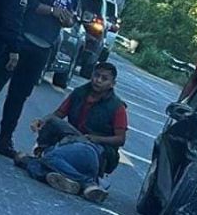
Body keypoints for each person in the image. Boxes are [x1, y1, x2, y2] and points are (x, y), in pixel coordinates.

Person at [0, 0, 80, 158]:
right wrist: (51, 10)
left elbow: (74, 17)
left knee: (19, 96)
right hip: (20, 40)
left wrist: (67, 19)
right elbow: (24, 1)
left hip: (43, 48)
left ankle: (4, 139)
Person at [19, 61, 127, 204]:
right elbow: (58, 114)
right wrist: (41, 121)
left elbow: (120, 139)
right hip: (71, 141)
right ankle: (78, 184)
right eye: (96, 75)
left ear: (112, 84)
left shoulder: (117, 107)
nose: (98, 80)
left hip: (94, 150)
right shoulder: (79, 93)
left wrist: (96, 138)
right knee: (52, 124)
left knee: (45, 159)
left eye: (104, 78)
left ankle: (86, 182)